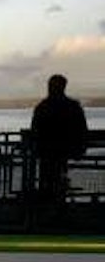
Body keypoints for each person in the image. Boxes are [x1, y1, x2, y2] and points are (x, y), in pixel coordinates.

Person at [30, 74, 88, 203]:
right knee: (57, 179)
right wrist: (80, 148)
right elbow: (82, 129)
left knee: (47, 181)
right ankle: (58, 203)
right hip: (66, 151)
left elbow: (35, 130)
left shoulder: (42, 107)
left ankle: (48, 206)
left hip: (47, 153)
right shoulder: (73, 106)